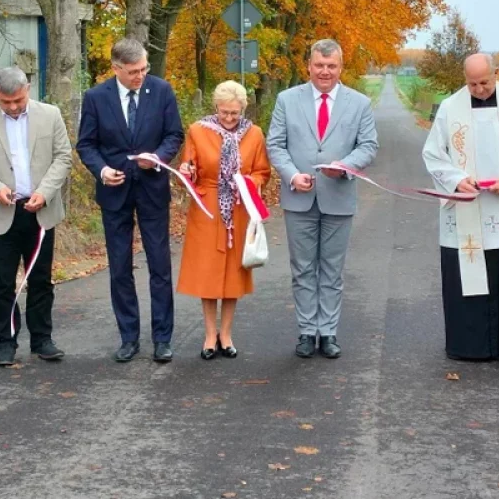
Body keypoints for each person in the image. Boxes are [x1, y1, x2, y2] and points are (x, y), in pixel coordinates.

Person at [422, 53, 499, 361]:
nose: (478, 89)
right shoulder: (450, 108)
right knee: (467, 273)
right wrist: (455, 180)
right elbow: (434, 153)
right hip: (467, 206)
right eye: (472, 83)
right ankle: (468, 345)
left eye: (485, 82)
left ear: (497, 73)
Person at [266, 39, 378, 359]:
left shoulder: (359, 104)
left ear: (340, 68)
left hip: (338, 196)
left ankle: (327, 332)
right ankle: (305, 331)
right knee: (302, 268)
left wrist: (344, 167)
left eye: (331, 66)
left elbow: (368, 146)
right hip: (298, 197)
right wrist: (291, 175)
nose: (325, 71)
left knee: (331, 269)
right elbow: (276, 145)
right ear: (309, 66)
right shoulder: (287, 100)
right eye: (319, 65)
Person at [76, 38, 184, 363]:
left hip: (152, 189)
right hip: (115, 191)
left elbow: (174, 135)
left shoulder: (161, 91)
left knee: (160, 266)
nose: (141, 76)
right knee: (120, 267)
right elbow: (86, 144)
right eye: (134, 71)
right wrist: (102, 170)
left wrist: (160, 157)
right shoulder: (96, 98)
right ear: (116, 68)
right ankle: (128, 337)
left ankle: (163, 339)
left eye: (144, 69)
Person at [0, 67, 73, 366]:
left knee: (40, 279)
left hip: (40, 211)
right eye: (5, 102)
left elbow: (63, 157)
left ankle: (42, 339)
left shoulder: (50, 115)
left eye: (18, 101)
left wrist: (45, 192)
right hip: (2, 212)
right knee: (2, 283)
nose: (12, 107)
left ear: (28, 89)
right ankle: (6, 341)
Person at [175, 81, 271, 360]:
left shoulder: (254, 134)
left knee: (232, 272)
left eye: (234, 113)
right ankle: (208, 335)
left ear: (243, 109)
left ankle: (226, 335)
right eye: (224, 112)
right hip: (207, 208)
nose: (229, 118)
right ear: (215, 107)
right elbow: (188, 171)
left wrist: (246, 181)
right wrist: (186, 171)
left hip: (239, 208)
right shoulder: (197, 130)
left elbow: (263, 172)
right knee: (208, 271)